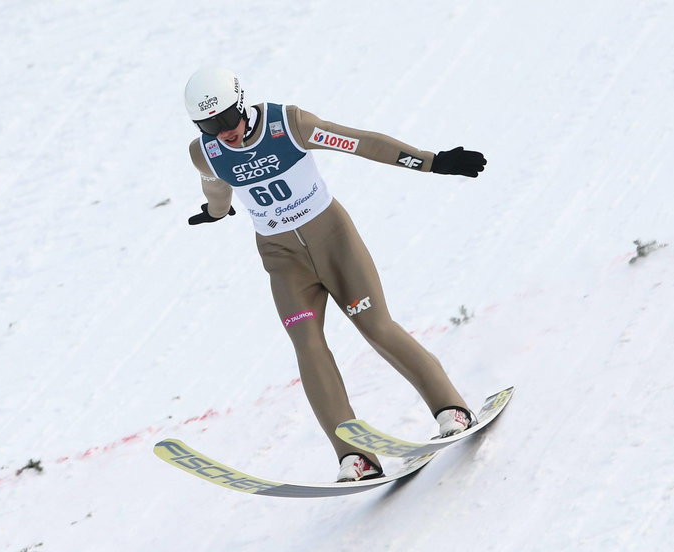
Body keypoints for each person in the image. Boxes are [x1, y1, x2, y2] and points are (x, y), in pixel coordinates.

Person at [183, 67, 486, 482]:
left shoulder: (288, 124)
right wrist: (215, 213)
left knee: (375, 325)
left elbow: (361, 143)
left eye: (225, 120)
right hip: (281, 258)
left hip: (332, 241)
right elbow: (214, 185)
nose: (223, 133)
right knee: (307, 346)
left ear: (241, 105)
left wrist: (432, 162)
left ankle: (450, 407)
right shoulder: (206, 150)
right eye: (207, 125)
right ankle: (354, 456)